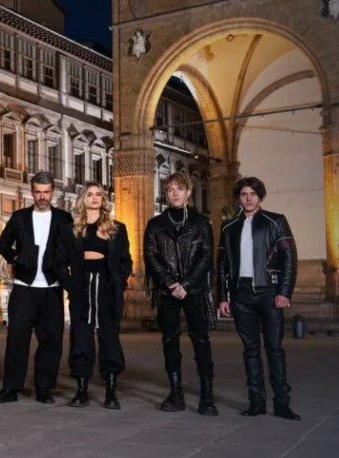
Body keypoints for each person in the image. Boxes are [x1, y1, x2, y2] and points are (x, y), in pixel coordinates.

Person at [218, 177, 300, 420]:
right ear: (239, 198)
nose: (248, 198)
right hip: (241, 295)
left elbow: (289, 258)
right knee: (250, 350)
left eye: (252, 194)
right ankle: (256, 402)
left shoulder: (276, 221)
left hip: (269, 292)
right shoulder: (228, 227)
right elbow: (222, 265)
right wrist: (223, 297)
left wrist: (284, 292)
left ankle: (282, 403)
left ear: (260, 196)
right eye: (244, 194)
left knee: (274, 349)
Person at [0, 171, 73, 404]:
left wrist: (64, 271)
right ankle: (10, 388)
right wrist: (17, 258)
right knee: (17, 339)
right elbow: (2, 244)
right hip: (24, 287)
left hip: (52, 287)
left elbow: (71, 248)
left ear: (53, 192)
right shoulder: (20, 218)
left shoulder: (64, 219)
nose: (42, 197)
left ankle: (44, 389)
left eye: (46, 192)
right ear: (32, 192)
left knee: (51, 340)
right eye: (38, 192)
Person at [143, 172, 218, 415]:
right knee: (169, 340)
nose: (175, 193)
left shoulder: (201, 223)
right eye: (170, 189)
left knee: (201, 339)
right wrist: (170, 283)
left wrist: (185, 284)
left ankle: (207, 396)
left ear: (188, 193)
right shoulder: (155, 224)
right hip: (167, 292)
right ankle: (176, 393)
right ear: (166, 194)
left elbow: (206, 256)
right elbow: (151, 256)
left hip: (194, 290)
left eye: (179, 189)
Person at [56, 182, 132, 409]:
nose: (95, 198)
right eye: (90, 194)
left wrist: (119, 283)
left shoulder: (117, 228)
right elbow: (59, 262)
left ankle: (111, 392)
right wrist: (70, 285)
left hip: (107, 289)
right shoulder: (70, 230)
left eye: (99, 194)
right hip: (81, 288)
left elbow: (125, 261)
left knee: (109, 338)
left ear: (103, 199)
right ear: (83, 199)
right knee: (81, 337)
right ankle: (81, 392)